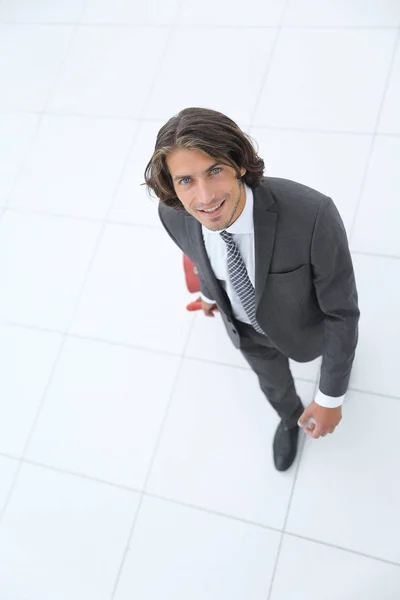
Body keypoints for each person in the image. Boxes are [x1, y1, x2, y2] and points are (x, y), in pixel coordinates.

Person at [144, 107, 360, 472]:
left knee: (335, 358)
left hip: (303, 328)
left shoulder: (313, 215)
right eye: (186, 180)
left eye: (214, 171)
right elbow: (201, 259)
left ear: (239, 163)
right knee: (273, 385)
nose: (205, 197)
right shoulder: (174, 215)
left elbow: (342, 312)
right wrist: (211, 296)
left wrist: (330, 398)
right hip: (246, 331)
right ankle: (290, 419)